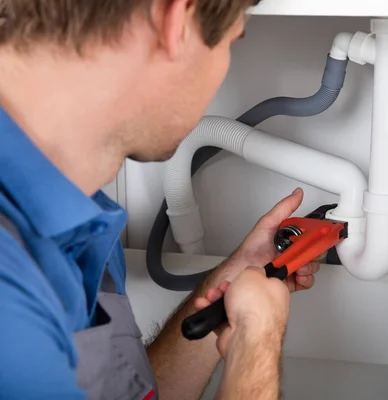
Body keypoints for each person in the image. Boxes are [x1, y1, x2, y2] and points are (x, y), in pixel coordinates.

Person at [0, 1, 321, 399]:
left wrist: (239, 273)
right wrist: (257, 345)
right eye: (230, 42)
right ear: (176, 22)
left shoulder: (78, 202)